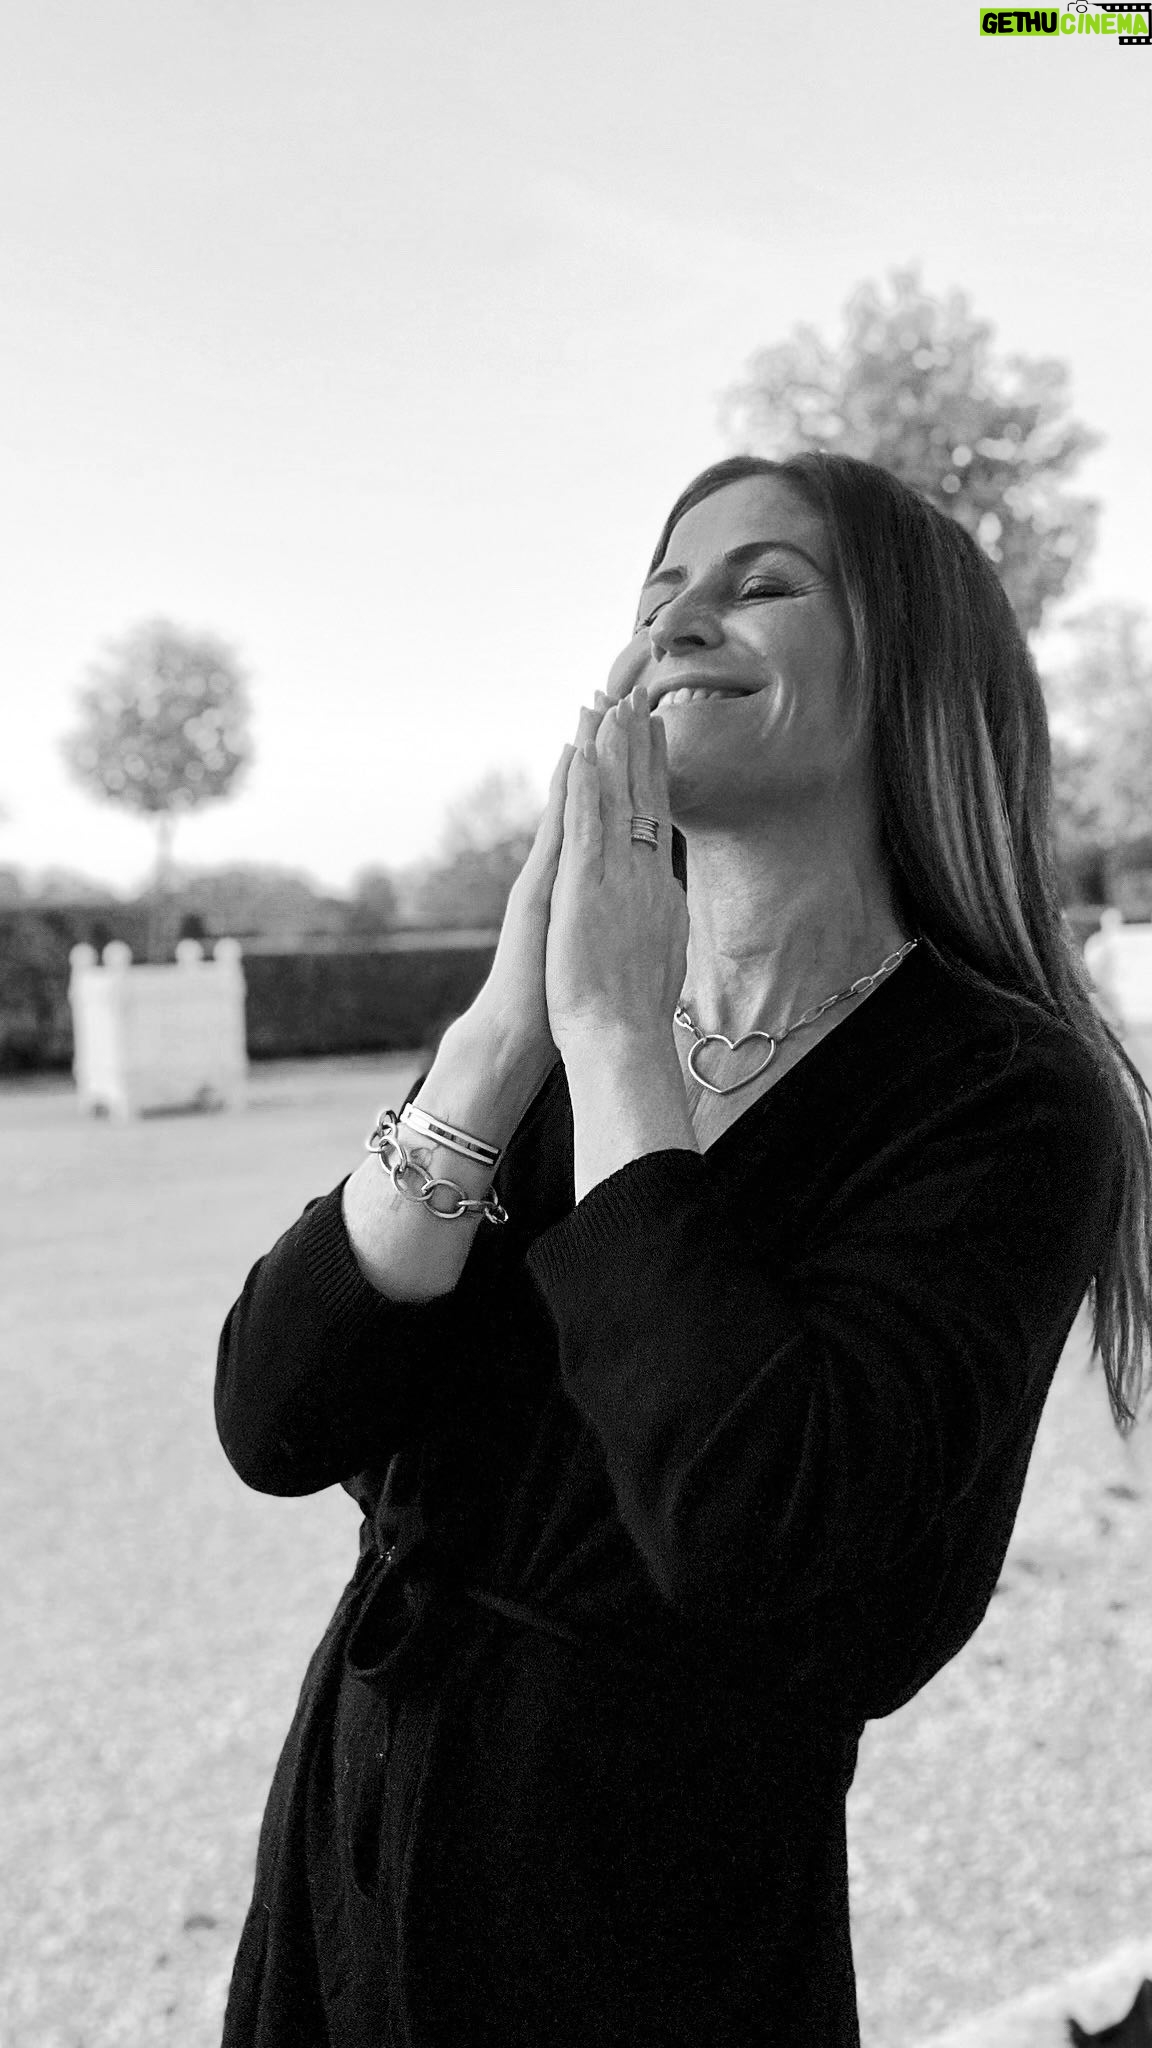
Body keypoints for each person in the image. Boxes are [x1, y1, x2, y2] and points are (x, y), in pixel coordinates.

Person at [215, 452, 1152, 2048]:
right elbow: (276, 1416)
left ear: (916, 678)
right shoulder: (545, 1030)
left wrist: (616, 1043)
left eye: (762, 584)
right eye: (659, 590)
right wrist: (503, 1030)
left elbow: (761, 1530)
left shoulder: (1002, 1099)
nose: (678, 621)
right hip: (348, 1876)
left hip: (648, 1929)